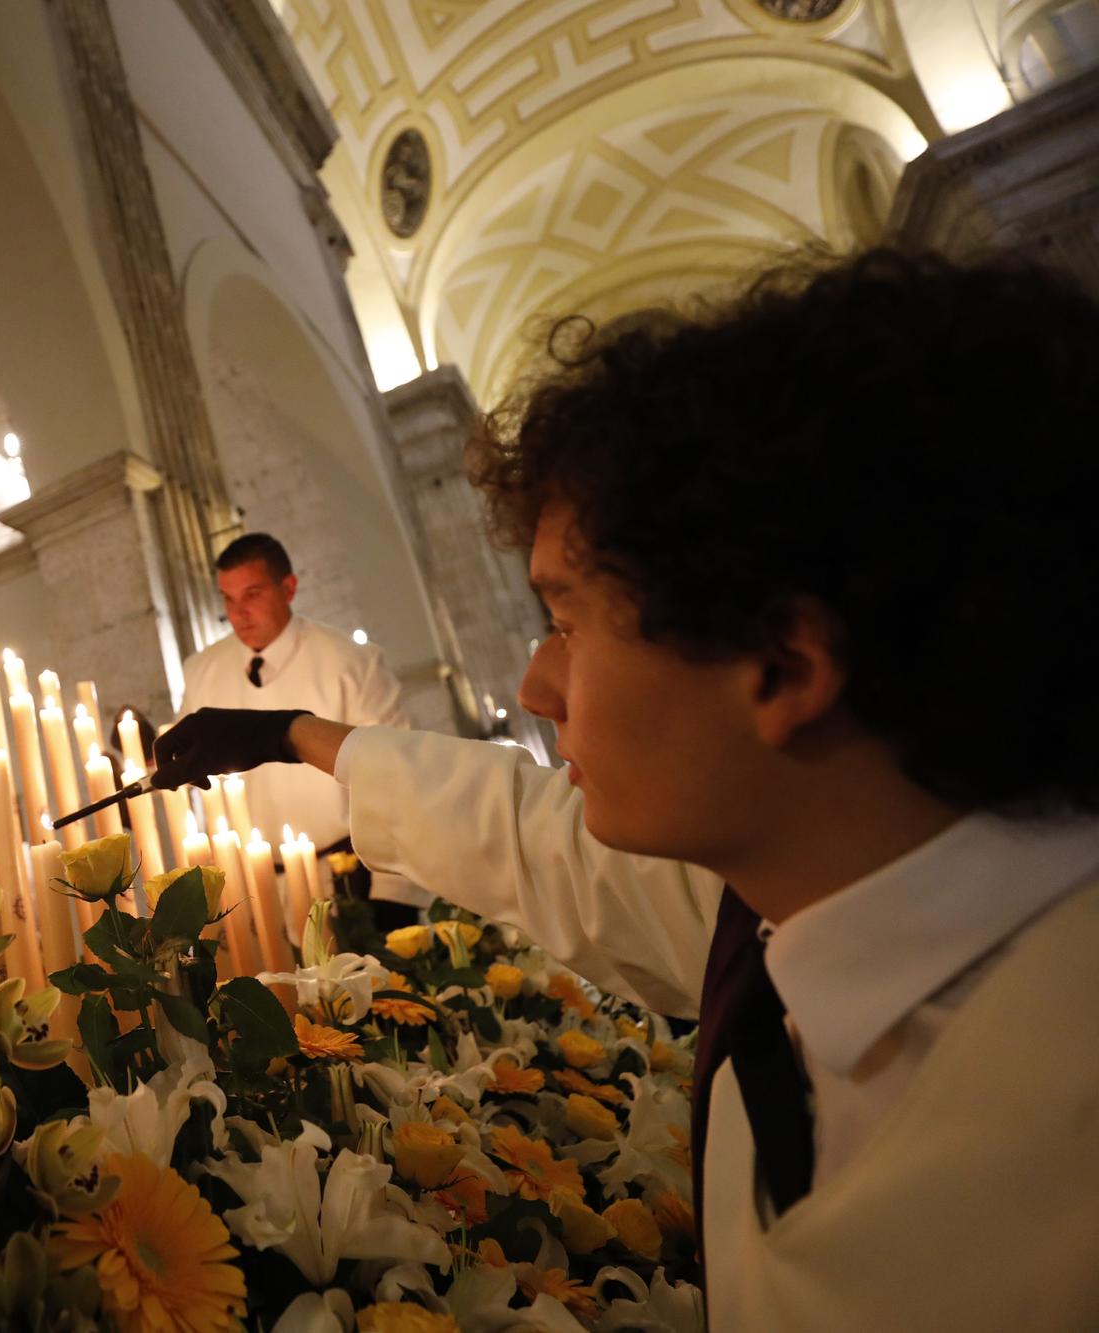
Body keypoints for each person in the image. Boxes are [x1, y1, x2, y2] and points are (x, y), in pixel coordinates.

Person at [156, 249, 1099, 1329]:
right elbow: (536, 842)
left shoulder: (1056, 1135)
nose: (534, 684)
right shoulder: (775, 908)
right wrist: (290, 732)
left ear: (780, 667)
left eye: (564, 620)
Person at [178, 533, 419, 928]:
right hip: (252, 891)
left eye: (252, 594)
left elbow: (394, 776)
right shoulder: (202, 671)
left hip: (341, 882)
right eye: (228, 598)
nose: (239, 613)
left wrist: (395, 894)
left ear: (288, 588)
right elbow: (192, 763)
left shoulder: (351, 663)